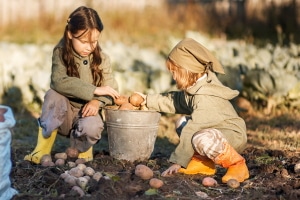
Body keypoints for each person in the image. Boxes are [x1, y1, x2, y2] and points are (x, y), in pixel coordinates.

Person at [137, 38, 249, 183]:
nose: (173, 76)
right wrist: (147, 100)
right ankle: (203, 163)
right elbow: (175, 101)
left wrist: (178, 161)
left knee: (199, 136)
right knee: (182, 122)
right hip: (215, 131)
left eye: (174, 72)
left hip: (232, 135)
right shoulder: (196, 87)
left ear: (186, 71)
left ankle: (237, 165)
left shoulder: (204, 96)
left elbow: (194, 128)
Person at [24, 6, 120, 164]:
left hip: (86, 114)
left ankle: (80, 153)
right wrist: (94, 90)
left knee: (93, 126)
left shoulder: (101, 58)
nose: (89, 47)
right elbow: (58, 80)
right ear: (70, 34)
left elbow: (112, 88)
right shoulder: (60, 53)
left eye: (94, 41)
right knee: (53, 94)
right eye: (84, 42)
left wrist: (97, 101)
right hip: (63, 113)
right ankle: (41, 151)